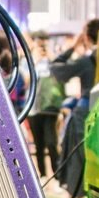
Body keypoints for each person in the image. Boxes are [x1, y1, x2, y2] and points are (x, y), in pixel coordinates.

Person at [50, 18, 99, 198]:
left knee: (80, 163)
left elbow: (56, 69)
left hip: (84, 115)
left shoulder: (86, 61)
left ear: (86, 38)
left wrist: (73, 47)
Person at [28, 43, 62, 179]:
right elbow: (26, 82)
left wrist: (51, 58)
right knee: (39, 144)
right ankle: (42, 174)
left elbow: (60, 77)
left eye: (44, 47)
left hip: (50, 109)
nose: (42, 50)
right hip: (33, 110)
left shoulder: (52, 63)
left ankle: (58, 174)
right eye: (39, 47)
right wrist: (34, 62)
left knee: (51, 142)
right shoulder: (28, 63)